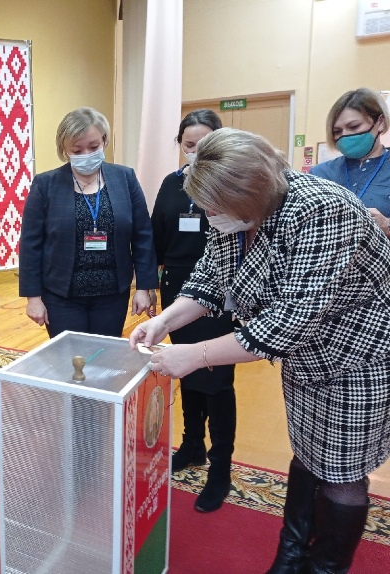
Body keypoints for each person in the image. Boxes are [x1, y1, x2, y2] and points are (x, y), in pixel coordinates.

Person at [130, 127, 390, 573]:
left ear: (250, 194)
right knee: (309, 450)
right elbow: (209, 278)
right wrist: (164, 321)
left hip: (359, 354)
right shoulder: (234, 215)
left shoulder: (323, 209)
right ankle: (291, 555)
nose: (210, 215)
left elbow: (291, 321)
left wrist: (194, 356)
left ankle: (325, 567)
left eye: (215, 207)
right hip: (306, 357)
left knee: (342, 472)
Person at [150, 109, 237, 512]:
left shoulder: (229, 184)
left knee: (216, 380)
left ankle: (220, 469)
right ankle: (191, 445)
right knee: (183, 368)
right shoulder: (171, 184)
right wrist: (150, 287)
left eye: (204, 145)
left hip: (220, 293)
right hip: (178, 291)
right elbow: (156, 236)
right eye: (189, 145)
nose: (195, 152)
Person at [19, 107, 158, 338]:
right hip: (61, 295)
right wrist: (32, 297)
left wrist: (144, 287)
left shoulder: (125, 178)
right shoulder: (46, 184)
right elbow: (30, 244)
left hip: (112, 294)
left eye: (93, 147)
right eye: (77, 150)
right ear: (64, 149)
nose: (86, 154)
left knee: (104, 354)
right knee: (70, 356)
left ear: (104, 140)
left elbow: (142, 236)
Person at [310, 88, 390, 237]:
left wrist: (387, 225)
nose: (345, 135)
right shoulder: (319, 174)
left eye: (354, 127)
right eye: (337, 131)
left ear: (380, 122)